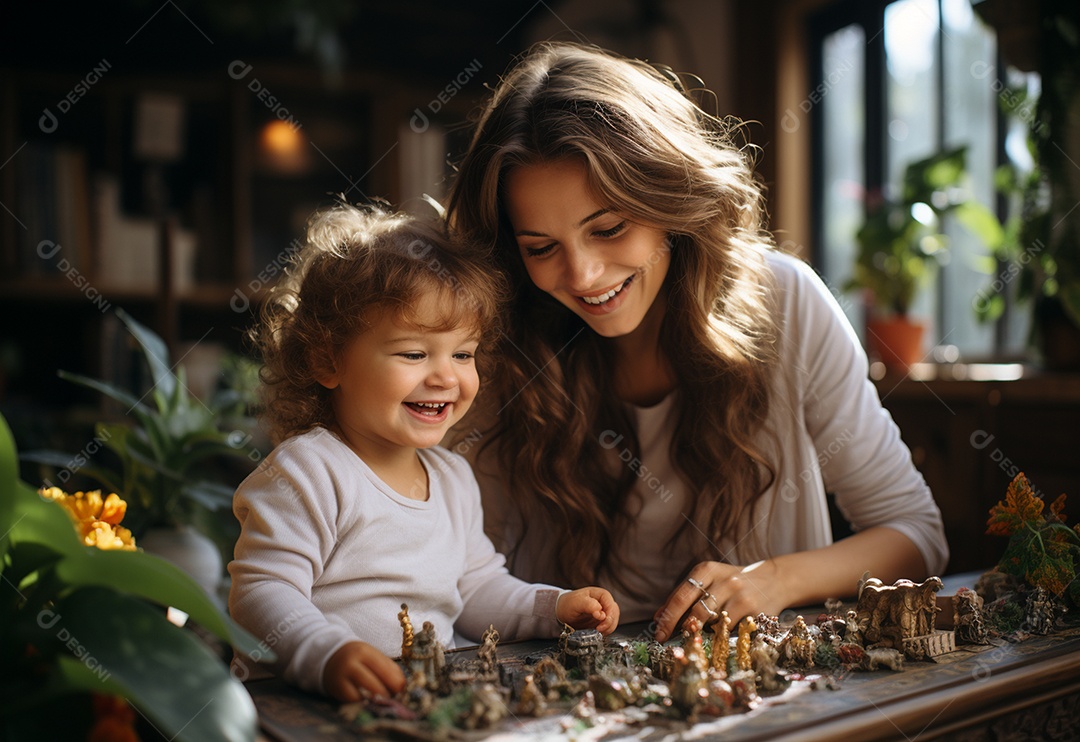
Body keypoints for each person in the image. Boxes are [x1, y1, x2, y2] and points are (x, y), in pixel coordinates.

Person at [446, 41, 948, 644]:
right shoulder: (501, 347)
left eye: (609, 229)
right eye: (541, 248)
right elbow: (461, 577)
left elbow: (916, 536)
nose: (581, 276)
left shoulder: (786, 303)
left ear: (669, 203)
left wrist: (775, 582)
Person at [228, 202, 620, 702]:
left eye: (463, 353)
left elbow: (477, 591)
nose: (446, 376)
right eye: (414, 353)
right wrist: (324, 654)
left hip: (420, 699)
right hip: (307, 704)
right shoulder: (308, 471)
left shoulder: (454, 478)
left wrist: (553, 607)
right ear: (327, 361)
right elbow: (261, 592)